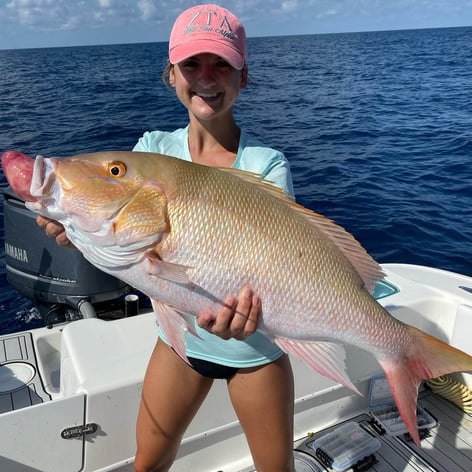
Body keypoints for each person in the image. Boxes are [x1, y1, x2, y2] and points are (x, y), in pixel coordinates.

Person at [38, 4, 296, 471]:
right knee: (147, 464)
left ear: (244, 76)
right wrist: (75, 230)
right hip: (181, 347)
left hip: (255, 353)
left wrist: (254, 315)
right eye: (191, 64)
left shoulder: (267, 165)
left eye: (223, 63)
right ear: (171, 75)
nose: (207, 77)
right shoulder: (152, 150)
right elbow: (128, 245)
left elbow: (281, 266)